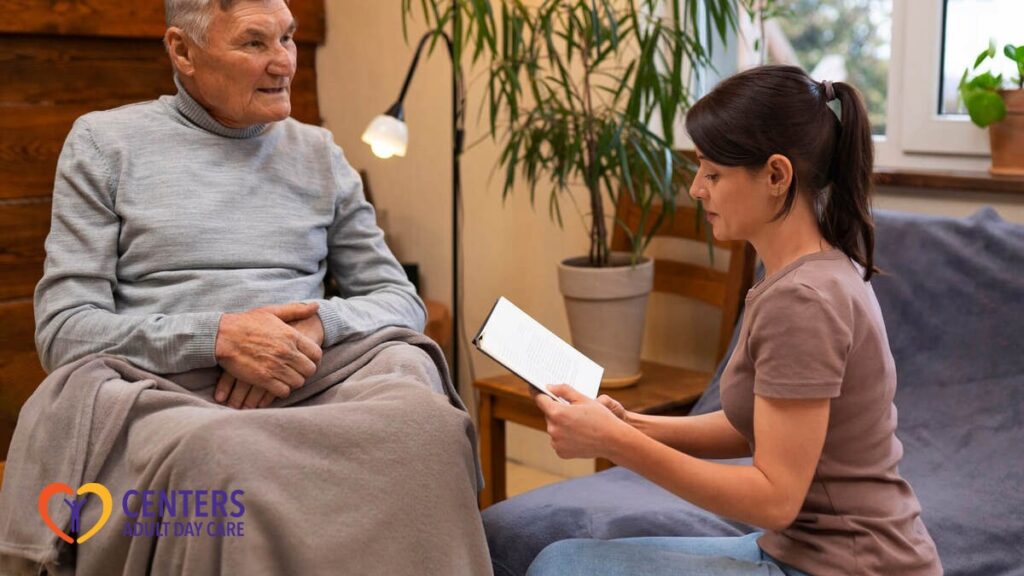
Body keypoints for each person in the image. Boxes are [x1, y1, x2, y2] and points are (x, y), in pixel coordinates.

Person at [0, 0, 492, 574]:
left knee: (428, 424)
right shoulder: (105, 145)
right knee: (223, 453)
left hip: (312, 372)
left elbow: (397, 298)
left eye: (288, 38)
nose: (284, 62)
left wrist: (316, 329)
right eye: (255, 43)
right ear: (182, 51)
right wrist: (218, 339)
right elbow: (63, 329)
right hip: (164, 388)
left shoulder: (319, 154)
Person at [526, 66, 942, 576]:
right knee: (560, 559)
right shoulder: (802, 274)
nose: (697, 188)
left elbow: (774, 501)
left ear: (776, 175)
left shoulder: (804, 301)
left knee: (562, 568)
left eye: (713, 173)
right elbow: (752, 425)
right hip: (803, 554)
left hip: (851, 567)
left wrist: (616, 444)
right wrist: (630, 424)